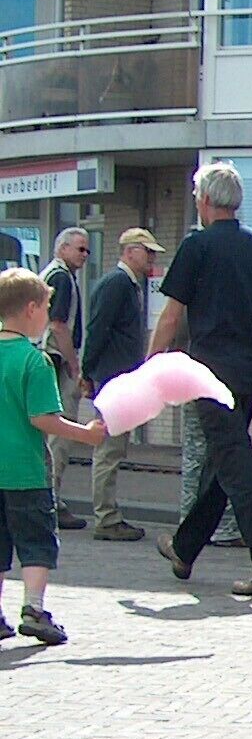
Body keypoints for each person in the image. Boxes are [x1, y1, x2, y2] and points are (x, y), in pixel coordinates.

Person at [152, 162, 252, 597]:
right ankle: (184, 548)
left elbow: (171, 315)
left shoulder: (196, 247)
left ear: (204, 200)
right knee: (225, 461)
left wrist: (150, 365)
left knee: (236, 464)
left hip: (208, 373)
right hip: (249, 373)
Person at [0, 267, 108, 643]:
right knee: (36, 542)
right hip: (26, 471)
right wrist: (86, 434)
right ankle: (33, 608)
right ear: (31, 309)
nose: (48, 314)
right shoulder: (36, 361)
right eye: (47, 307)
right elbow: (42, 418)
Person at [79, 228, 162, 542]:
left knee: (113, 448)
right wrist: (87, 371)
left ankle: (108, 513)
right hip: (113, 377)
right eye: (147, 251)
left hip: (120, 376)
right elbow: (98, 329)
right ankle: (106, 516)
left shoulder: (129, 284)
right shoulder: (117, 283)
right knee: (109, 449)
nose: (151, 258)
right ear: (130, 251)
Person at [40, 227, 91, 530]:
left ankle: (49, 498)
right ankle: (52, 501)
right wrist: (74, 365)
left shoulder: (53, 274)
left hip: (44, 358)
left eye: (87, 250)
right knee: (60, 431)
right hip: (55, 360)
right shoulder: (61, 277)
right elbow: (59, 326)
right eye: (80, 249)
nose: (85, 255)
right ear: (62, 249)